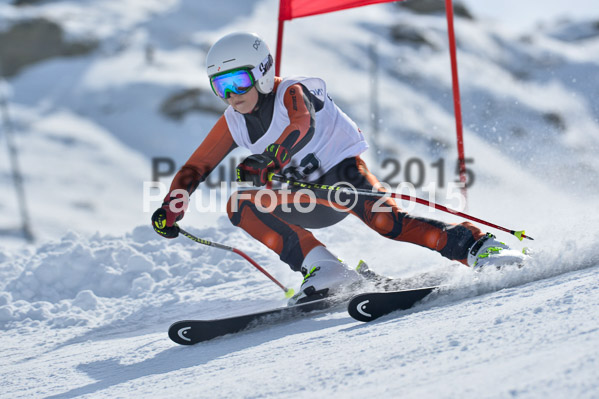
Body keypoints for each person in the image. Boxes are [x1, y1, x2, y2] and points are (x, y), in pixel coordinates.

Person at [151, 32, 525, 304]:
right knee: (240, 203)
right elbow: (198, 165)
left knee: (387, 224)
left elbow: (302, 124)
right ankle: (326, 269)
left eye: (238, 81)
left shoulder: (292, 91)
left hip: (342, 175)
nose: (232, 95)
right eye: (221, 87)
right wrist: (172, 204)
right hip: (305, 197)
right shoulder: (233, 120)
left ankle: (478, 247)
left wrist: (271, 159)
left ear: (263, 71)